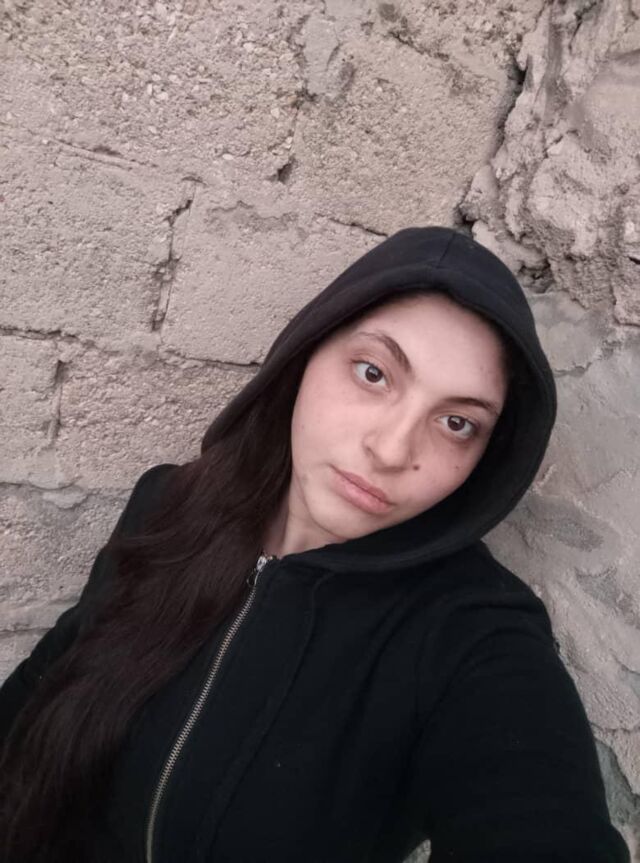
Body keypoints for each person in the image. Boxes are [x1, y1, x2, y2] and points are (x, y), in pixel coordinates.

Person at [0, 226, 630, 863]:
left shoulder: (468, 633)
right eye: (373, 373)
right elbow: (44, 685)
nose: (391, 450)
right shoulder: (168, 502)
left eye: (456, 422)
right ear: (305, 355)